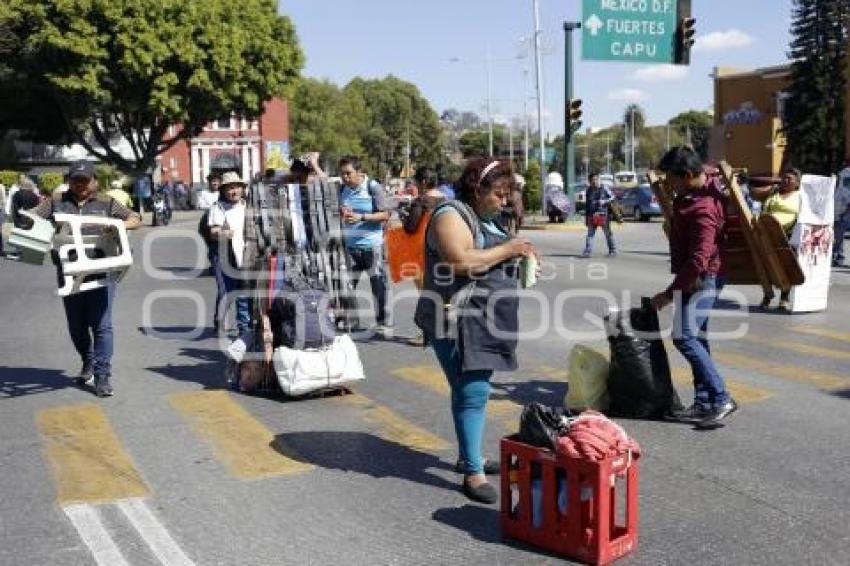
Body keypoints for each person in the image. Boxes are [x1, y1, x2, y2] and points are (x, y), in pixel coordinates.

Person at [414, 157, 536, 503]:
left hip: (484, 319)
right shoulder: (451, 215)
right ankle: (472, 471)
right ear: (476, 189)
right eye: (498, 193)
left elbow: (493, 254)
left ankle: (470, 454)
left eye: (508, 193)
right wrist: (509, 249)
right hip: (457, 320)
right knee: (474, 392)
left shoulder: (488, 217)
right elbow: (460, 261)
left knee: (468, 391)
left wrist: (520, 253)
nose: (505, 201)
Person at [27, 160, 142, 397]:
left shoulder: (106, 202)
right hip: (68, 273)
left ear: (94, 181)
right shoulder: (56, 202)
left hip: (101, 272)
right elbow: (32, 218)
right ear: (69, 180)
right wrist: (30, 222)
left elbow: (135, 218)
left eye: (85, 180)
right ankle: (88, 360)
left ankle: (102, 375)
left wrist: (118, 225)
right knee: (77, 326)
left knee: (102, 325)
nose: (80, 184)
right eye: (76, 179)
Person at [651, 147, 736, 427]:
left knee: (684, 337)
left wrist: (669, 293)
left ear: (687, 176)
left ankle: (721, 397)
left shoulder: (704, 209)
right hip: (699, 277)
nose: (668, 185)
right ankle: (703, 402)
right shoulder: (697, 189)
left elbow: (699, 260)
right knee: (697, 338)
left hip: (702, 279)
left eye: (672, 179)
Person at [338, 155, 392, 336]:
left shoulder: (373, 187)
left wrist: (362, 217)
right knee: (346, 286)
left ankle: (383, 324)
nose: (345, 177)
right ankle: (351, 321)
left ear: (359, 172)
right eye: (342, 174)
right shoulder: (342, 189)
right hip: (350, 248)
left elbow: (385, 215)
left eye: (348, 173)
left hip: (372, 247)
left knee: (379, 287)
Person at [750, 167, 802, 311]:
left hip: (788, 236)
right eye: (784, 178)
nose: (785, 181)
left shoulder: (800, 196)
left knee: (787, 267)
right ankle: (767, 295)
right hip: (767, 235)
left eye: (789, 179)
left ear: (797, 183)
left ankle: (784, 299)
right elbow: (754, 194)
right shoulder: (773, 192)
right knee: (767, 266)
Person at [208, 171, 251, 336]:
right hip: (224, 255)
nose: (234, 191)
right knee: (226, 290)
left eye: (237, 187)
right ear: (224, 190)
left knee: (243, 290)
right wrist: (223, 233)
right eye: (230, 188)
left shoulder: (247, 206)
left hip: (245, 254)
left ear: (242, 189)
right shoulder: (218, 208)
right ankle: (219, 320)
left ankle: (244, 327)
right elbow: (213, 231)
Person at [581, 172, 617, 258]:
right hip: (592, 215)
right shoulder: (588, 190)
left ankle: (612, 250)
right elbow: (587, 205)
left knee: (608, 234)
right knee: (590, 235)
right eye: (592, 180)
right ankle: (587, 251)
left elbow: (613, 197)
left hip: (603, 215)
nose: (595, 181)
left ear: (599, 179)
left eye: (596, 179)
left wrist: (605, 201)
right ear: (589, 181)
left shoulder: (604, 188)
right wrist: (586, 218)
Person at [832, 167, 850, 267]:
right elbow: (841, 190)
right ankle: (838, 256)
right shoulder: (844, 172)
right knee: (839, 235)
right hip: (839, 209)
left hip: (846, 209)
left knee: (840, 234)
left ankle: (838, 256)